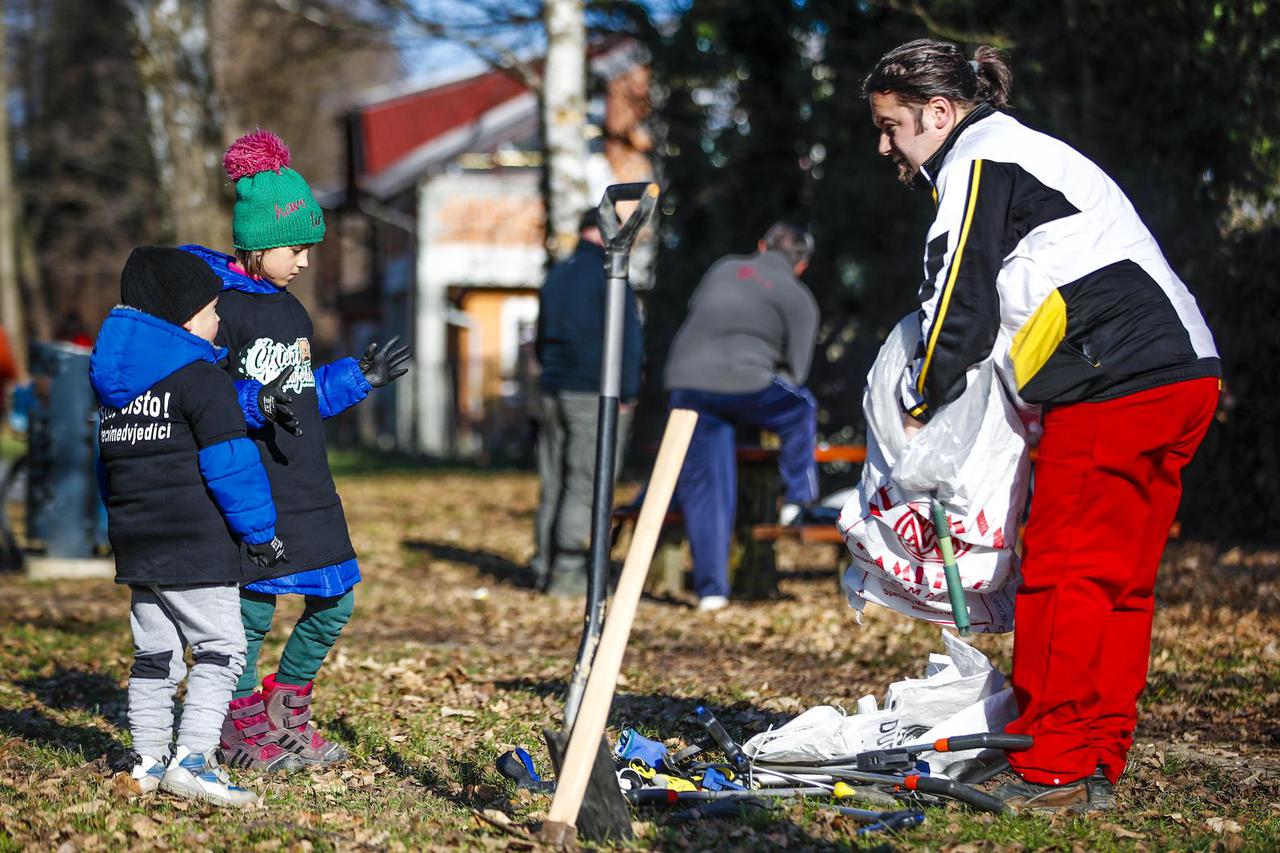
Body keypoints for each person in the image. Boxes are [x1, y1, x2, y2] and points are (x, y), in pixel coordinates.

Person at [863, 39, 1220, 812]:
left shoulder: (979, 158)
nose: (885, 145)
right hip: (1184, 370)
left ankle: (1050, 763)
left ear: (939, 111)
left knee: (1063, 571)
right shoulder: (1028, 151)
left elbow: (958, 301)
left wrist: (917, 408)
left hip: (1113, 377)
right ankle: (1094, 751)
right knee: (1119, 582)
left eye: (892, 126)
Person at [181, 130, 410, 771]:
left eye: (309, 247)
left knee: (337, 599)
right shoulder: (219, 310)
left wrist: (358, 377)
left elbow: (304, 395)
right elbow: (207, 395)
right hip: (256, 483)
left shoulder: (292, 311)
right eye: (295, 246)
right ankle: (238, 722)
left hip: (308, 481)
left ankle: (286, 710)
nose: (305, 260)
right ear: (255, 241)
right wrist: (256, 403)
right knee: (253, 609)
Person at [90, 247, 292, 806]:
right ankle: (195, 759)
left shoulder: (115, 392)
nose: (219, 319)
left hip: (138, 544)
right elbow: (231, 465)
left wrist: (121, 525)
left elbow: (106, 470)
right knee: (222, 647)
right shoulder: (203, 380)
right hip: (195, 543)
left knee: (155, 653)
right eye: (209, 310)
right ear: (182, 318)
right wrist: (261, 534)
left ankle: (147, 758)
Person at [665, 223, 820, 612]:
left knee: (706, 488)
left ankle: (711, 591)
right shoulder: (799, 298)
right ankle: (798, 497)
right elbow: (796, 375)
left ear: (761, 245)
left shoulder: (723, 267)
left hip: (685, 383)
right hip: (745, 384)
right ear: (801, 266)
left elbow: (700, 315)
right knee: (801, 408)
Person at [532, 209, 643, 595]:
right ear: (603, 231)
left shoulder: (558, 273)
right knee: (586, 483)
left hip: (552, 388)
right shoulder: (610, 275)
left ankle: (543, 564)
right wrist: (627, 393)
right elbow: (628, 339)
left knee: (554, 482)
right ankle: (567, 573)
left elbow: (542, 333)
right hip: (592, 392)